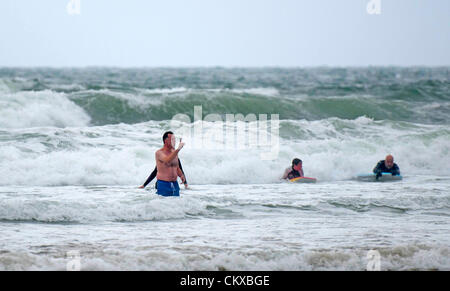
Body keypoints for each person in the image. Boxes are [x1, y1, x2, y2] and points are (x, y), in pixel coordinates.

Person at [142, 131, 186, 196]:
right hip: (163, 184)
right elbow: (167, 160)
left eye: (175, 139)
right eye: (172, 139)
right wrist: (178, 149)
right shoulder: (159, 152)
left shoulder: (174, 153)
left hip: (175, 184)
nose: (174, 142)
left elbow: (176, 167)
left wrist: (181, 175)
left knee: (177, 204)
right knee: (164, 205)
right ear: (166, 141)